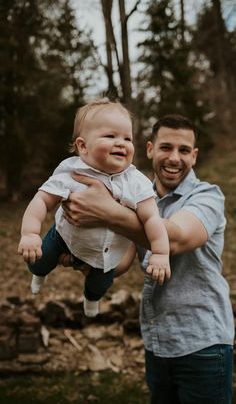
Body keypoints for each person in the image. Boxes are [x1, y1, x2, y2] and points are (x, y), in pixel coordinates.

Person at [61, 114, 235, 403]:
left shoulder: (208, 196)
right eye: (166, 148)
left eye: (183, 151)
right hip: (157, 342)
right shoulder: (137, 199)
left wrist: (108, 212)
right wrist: (81, 258)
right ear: (151, 149)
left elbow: (176, 238)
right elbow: (122, 263)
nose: (174, 158)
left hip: (203, 343)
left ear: (194, 156)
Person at [18, 98, 170, 318]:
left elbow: (152, 219)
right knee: (38, 262)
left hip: (106, 257)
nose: (121, 143)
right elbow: (42, 200)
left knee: (99, 285)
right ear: (83, 146)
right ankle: (38, 276)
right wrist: (30, 233)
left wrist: (160, 253)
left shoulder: (136, 182)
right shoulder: (72, 172)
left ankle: (91, 300)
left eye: (127, 138)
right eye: (110, 136)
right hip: (64, 238)